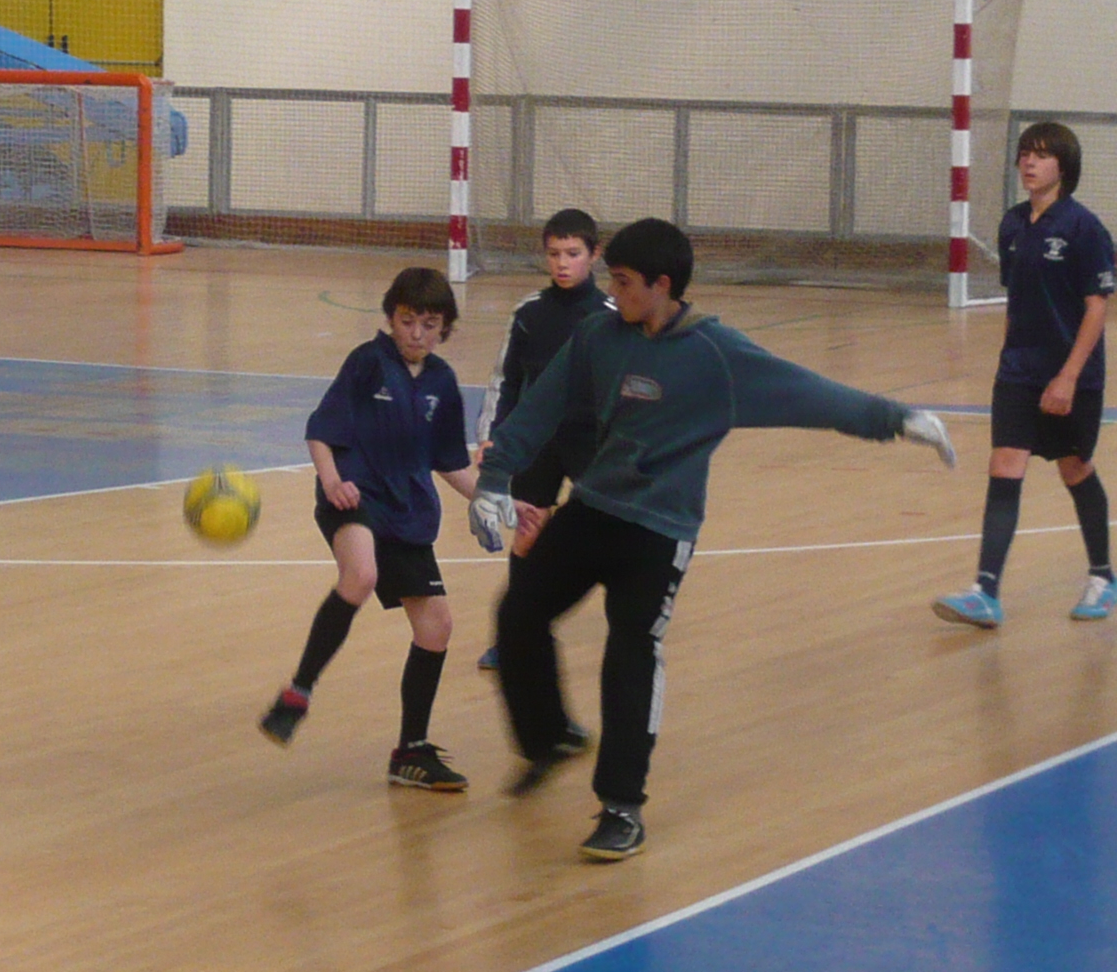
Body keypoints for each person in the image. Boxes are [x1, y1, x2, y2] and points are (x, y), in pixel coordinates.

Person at [478, 218, 957, 862]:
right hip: (593, 508)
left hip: (659, 530)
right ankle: (549, 739)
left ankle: (621, 808)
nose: (612, 293)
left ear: (662, 285)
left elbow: (809, 395)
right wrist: (495, 478)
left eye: (624, 282)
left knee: (631, 652)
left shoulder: (716, 355)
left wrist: (896, 419)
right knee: (518, 611)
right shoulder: (598, 335)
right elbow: (540, 406)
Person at [260, 267, 483, 790]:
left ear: (444, 329)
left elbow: (450, 462)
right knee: (360, 574)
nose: (417, 334)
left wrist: (497, 502)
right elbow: (321, 431)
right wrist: (332, 480)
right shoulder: (367, 363)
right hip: (354, 498)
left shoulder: (442, 383)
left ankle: (411, 751)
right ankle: (298, 692)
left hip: (407, 512)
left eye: (429, 325)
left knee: (437, 627)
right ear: (390, 318)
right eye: (407, 321)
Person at [935, 123, 1115, 628]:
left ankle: (1103, 576)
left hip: (1072, 376)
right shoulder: (1013, 224)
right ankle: (985, 591)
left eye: (1042, 155)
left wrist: (1068, 377)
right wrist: (1009, 358)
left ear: (1064, 166)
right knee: (1004, 466)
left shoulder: (1084, 229)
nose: (1029, 163)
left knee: (1074, 467)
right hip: (1018, 372)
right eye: (1025, 154)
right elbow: (1017, 299)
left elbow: (1096, 309)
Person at [474, 209, 611, 673]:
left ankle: (629, 628)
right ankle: (514, 636)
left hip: (592, 446)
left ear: (594, 255)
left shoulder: (612, 317)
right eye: (554, 254)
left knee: (610, 535)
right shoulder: (529, 313)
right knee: (528, 532)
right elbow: (506, 381)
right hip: (539, 444)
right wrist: (491, 438)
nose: (562, 263)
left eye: (573, 253)